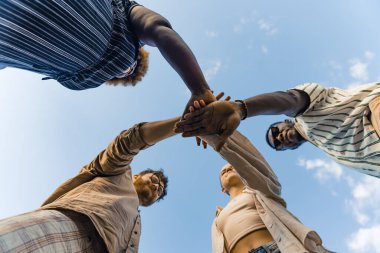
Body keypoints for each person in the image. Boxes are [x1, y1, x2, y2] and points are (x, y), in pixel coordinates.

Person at [0, 116, 181, 252]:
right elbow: (128, 142)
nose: (157, 187)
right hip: (69, 226)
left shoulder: (136, 226)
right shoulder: (120, 171)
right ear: (136, 177)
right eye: (155, 180)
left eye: (160, 191)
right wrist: (183, 123)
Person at [0, 0, 215, 108]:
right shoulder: (126, 17)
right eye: (132, 65)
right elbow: (158, 29)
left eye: (125, 73)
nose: (126, 69)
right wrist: (200, 88)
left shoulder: (83, 80)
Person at [175, 82, 380, 178]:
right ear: (288, 150)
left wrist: (241, 108)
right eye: (278, 145)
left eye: (276, 132)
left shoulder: (308, 111)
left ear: (285, 122)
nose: (280, 138)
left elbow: (289, 101)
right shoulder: (329, 149)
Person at [199, 126, 332, 253]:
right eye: (223, 172)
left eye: (232, 167)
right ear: (223, 189)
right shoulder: (219, 217)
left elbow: (246, 160)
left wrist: (215, 133)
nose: (227, 169)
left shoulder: (260, 190)